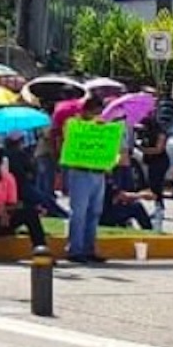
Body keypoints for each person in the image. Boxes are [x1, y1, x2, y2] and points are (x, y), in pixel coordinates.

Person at [60, 94, 110, 264]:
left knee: (95, 212)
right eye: (95, 110)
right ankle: (75, 249)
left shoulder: (100, 125)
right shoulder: (74, 124)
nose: (98, 114)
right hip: (80, 172)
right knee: (79, 212)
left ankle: (89, 249)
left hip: (98, 172)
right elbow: (68, 139)